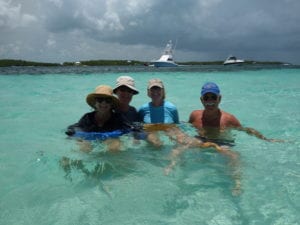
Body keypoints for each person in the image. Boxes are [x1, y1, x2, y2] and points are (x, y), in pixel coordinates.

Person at [65, 85, 129, 152]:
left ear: (111, 104)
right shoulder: (87, 118)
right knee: (84, 146)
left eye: (108, 100)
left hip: (111, 138)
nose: (104, 103)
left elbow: (131, 127)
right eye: (100, 99)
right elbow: (75, 128)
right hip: (90, 139)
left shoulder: (118, 118)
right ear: (95, 103)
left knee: (114, 146)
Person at [138, 78, 179, 146]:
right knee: (156, 142)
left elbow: (177, 126)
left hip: (168, 138)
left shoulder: (172, 108)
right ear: (148, 92)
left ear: (163, 91)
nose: (155, 92)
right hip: (151, 139)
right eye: (153, 89)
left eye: (158, 89)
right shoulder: (143, 109)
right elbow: (139, 128)